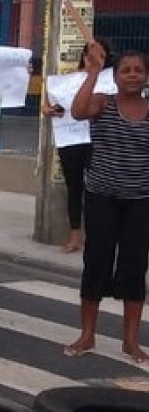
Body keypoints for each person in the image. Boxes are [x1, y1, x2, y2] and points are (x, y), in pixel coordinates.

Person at [65, 43, 149, 364]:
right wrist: (93, 72)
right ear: (115, 76)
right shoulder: (103, 104)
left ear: (146, 77)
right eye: (125, 70)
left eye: (138, 70)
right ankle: (87, 335)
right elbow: (77, 111)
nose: (131, 75)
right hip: (101, 198)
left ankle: (130, 341)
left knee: (134, 268)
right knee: (96, 264)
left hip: (139, 202)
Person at [43, 41, 115, 253]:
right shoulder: (64, 83)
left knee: (100, 188)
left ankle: (101, 234)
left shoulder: (110, 80)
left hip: (98, 140)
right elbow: (48, 106)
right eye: (89, 54)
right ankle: (75, 235)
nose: (92, 58)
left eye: (99, 54)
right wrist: (48, 111)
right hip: (71, 139)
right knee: (74, 187)